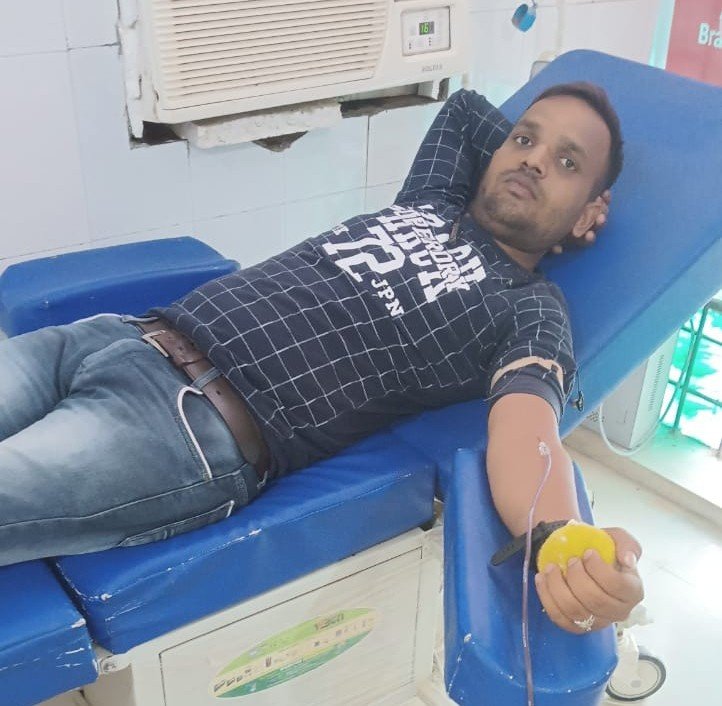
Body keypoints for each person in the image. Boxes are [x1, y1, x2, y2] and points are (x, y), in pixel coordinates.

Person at [0, 82, 643, 634]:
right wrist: (546, 162)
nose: (532, 161)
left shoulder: (531, 307)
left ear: (591, 211)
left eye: (566, 163)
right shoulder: (435, 200)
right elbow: (464, 109)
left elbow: (527, 430)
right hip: (116, 335)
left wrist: (557, 535)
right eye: (523, 140)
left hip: (186, 424)